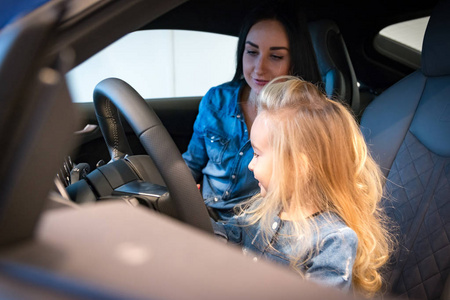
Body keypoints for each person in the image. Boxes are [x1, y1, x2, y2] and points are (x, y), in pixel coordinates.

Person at [213, 76, 393, 297]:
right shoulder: (266, 207)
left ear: (298, 166)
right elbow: (231, 233)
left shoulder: (333, 240)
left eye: (257, 154)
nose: (250, 164)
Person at [182, 1, 322, 220]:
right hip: (202, 217)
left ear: (294, 61)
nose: (259, 68)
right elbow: (190, 166)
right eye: (252, 52)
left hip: (256, 229)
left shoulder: (303, 117)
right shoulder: (217, 99)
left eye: (275, 56)